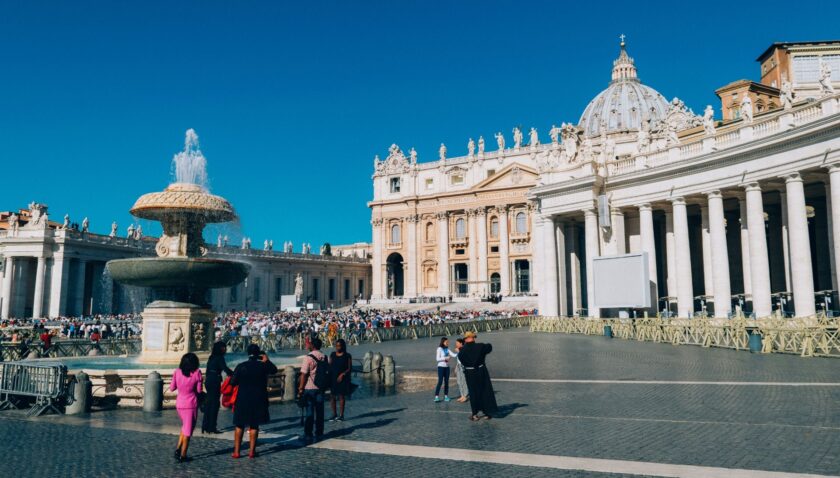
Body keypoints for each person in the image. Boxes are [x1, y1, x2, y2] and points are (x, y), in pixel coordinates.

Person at [230, 344, 278, 458]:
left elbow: (233, 382)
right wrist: (267, 360)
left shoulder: (241, 366)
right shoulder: (263, 366)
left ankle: (236, 452)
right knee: (254, 425)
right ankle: (252, 451)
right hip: (258, 398)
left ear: (248, 353)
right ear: (259, 354)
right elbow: (274, 370)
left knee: (239, 425)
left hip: (243, 398)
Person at [169, 352, 203, 463]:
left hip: (180, 404)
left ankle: (178, 449)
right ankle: (183, 455)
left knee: (185, 427)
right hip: (190, 405)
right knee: (188, 431)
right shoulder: (197, 373)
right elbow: (199, 390)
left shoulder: (177, 372)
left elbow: (172, 388)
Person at [457, 331, 497, 421]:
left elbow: (461, 360)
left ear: (465, 339)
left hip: (470, 373)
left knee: (473, 393)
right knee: (484, 391)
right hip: (481, 371)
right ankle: (487, 413)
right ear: (473, 338)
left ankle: (474, 414)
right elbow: (489, 347)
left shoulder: (462, 351)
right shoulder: (480, 346)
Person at [299, 337, 327, 442]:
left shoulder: (308, 357)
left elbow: (304, 374)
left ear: (313, 345)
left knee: (309, 412)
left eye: (310, 344)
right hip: (321, 387)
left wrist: (300, 388)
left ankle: (308, 434)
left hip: (309, 387)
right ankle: (319, 433)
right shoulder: (324, 356)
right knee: (320, 412)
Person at [202, 341, 234, 434]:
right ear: (220, 349)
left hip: (209, 380)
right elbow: (225, 369)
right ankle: (212, 426)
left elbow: (208, 370)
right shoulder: (220, 358)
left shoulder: (211, 357)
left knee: (209, 403)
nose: (225, 349)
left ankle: (205, 425)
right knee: (215, 404)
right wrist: (235, 374)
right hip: (215, 380)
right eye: (223, 347)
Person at [328, 338, 352, 422]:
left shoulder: (347, 355)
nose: (337, 347)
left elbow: (349, 368)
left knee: (341, 396)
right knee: (332, 396)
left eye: (339, 346)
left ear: (343, 346)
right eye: (336, 346)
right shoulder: (332, 354)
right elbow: (329, 365)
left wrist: (343, 374)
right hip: (333, 378)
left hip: (342, 379)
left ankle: (341, 415)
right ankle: (334, 414)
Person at [434, 337, 453, 402]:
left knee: (446, 382)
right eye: (446, 342)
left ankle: (446, 396)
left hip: (447, 367)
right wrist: (445, 358)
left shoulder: (447, 349)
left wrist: (460, 352)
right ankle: (436, 397)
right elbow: (437, 359)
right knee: (440, 381)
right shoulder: (439, 349)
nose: (447, 343)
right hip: (441, 367)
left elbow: (453, 355)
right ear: (443, 342)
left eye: (448, 342)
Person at [452, 338, 469, 403]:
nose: (456, 344)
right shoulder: (459, 349)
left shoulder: (464, 349)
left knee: (463, 381)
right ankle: (462, 395)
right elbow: (458, 359)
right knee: (459, 381)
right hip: (459, 366)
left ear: (461, 343)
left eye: (457, 343)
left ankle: (465, 396)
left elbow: (464, 357)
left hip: (463, 366)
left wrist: (459, 351)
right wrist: (456, 367)